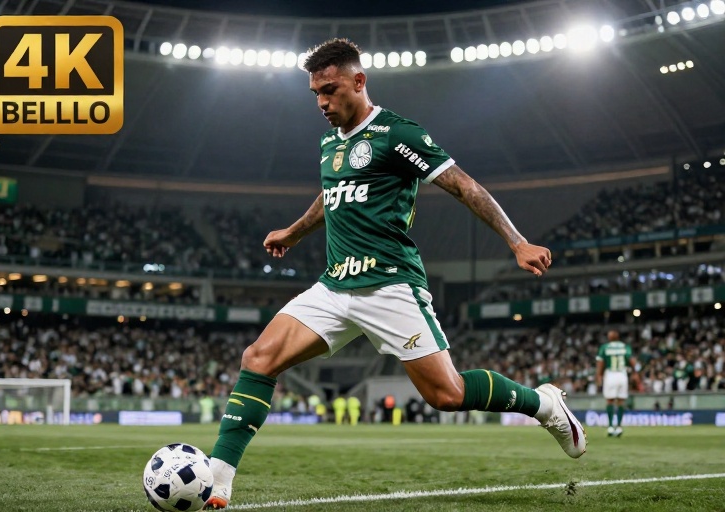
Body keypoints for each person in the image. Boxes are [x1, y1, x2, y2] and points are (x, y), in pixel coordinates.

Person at [203, 38, 586, 510]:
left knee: (447, 395)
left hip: (389, 283)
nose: (322, 102)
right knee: (258, 357)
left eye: (330, 90)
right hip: (335, 284)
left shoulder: (396, 133)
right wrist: (294, 232)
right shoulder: (329, 143)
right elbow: (331, 194)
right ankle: (216, 483)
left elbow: (463, 186)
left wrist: (516, 241)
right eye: (316, 93)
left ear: (358, 81)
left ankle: (544, 404)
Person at [595, 330, 639, 437]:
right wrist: (635, 373)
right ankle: (619, 427)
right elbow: (632, 361)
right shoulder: (625, 347)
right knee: (621, 401)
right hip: (622, 374)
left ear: (609, 338)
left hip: (610, 374)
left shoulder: (605, 347)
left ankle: (610, 427)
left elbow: (600, 362)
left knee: (609, 401)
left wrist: (599, 375)